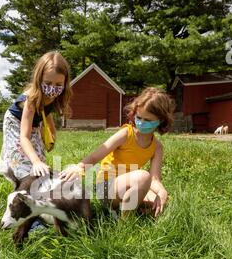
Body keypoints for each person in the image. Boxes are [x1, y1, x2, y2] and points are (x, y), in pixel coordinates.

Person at [60, 87, 175, 218]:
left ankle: (127, 208)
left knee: (158, 202)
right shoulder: (126, 134)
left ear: (160, 120)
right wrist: (79, 166)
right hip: (106, 187)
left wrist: (162, 191)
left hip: (130, 184)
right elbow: (96, 155)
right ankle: (125, 225)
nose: (141, 123)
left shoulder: (157, 147)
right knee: (143, 177)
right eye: (139, 117)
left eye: (148, 120)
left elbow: (154, 178)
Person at [0, 50, 71, 231]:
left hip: (35, 125)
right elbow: (24, 137)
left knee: (41, 169)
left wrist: (52, 132)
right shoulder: (31, 99)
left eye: (58, 84)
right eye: (48, 83)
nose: (53, 88)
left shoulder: (54, 97)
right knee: (28, 168)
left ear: (65, 83)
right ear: (39, 80)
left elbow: (47, 111)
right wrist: (35, 161)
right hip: (16, 125)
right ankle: (26, 217)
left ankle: (35, 206)